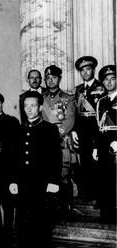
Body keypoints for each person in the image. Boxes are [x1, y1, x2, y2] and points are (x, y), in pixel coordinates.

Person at [11, 91, 62, 248]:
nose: (29, 109)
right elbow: (15, 158)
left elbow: (56, 158)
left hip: (42, 183)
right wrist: (13, 181)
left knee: (42, 220)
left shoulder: (50, 129)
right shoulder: (19, 129)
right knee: (24, 220)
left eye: (33, 105)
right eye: (26, 106)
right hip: (24, 183)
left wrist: (54, 182)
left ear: (40, 107)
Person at [41, 65, 77, 215]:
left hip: (61, 142)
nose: (51, 81)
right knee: (48, 175)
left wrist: (54, 135)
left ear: (59, 79)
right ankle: (51, 207)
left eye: (54, 78)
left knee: (63, 175)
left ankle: (67, 206)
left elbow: (69, 120)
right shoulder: (41, 99)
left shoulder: (68, 98)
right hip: (44, 143)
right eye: (48, 78)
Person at [0, 93, 20, 244]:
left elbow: (16, 148)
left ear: (2, 104)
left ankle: (8, 233)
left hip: (7, 166)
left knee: (8, 202)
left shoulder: (12, 122)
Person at [73, 56, 105, 200]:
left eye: (88, 69)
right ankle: (86, 193)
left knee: (97, 163)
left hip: (96, 129)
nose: (85, 72)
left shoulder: (101, 87)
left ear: (93, 70)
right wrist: (74, 130)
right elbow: (76, 111)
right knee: (84, 161)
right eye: (82, 70)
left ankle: (99, 195)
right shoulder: (78, 89)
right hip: (81, 130)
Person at [93, 65, 116, 224]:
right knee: (104, 178)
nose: (109, 82)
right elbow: (98, 126)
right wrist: (95, 146)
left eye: (112, 78)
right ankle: (106, 213)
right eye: (106, 79)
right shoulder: (101, 101)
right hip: (103, 144)